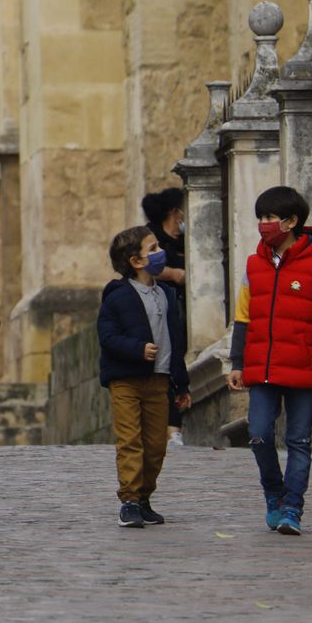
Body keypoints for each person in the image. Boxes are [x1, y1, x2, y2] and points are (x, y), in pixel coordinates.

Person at [228, 185, 312, 536]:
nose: (264, 224)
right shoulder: (253, 266)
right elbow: (243, 318)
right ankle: (273, 493)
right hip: (261, 367)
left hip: (304, 367)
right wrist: (236, 362)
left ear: (291, 222)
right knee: (259, 434)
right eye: (260, 217)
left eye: (270, 218)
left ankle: (293, 508)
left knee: (299, 441)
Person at [97, 226, 191, 528]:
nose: (159, 252)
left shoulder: (166, 294)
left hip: (160, 380)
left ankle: (144, 496)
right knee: (130, 440)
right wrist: (138, 349)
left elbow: (175, 341)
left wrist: (182, 383)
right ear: (136, 261)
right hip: (126, 380)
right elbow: (107, 336)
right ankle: (129, 500)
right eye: (152, 249)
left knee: (155, 445)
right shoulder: (117, 296)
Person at [140, 187, 188, 445]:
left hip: (183, 309)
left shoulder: (187, 241)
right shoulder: (152, 237)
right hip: (158, 308)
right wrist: (173, 274)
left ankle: (173, 425)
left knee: (177, 363)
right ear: (174, 212)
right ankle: (170, 428)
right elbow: (143, 266)